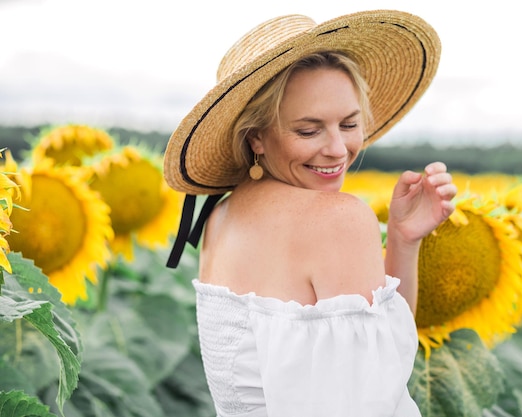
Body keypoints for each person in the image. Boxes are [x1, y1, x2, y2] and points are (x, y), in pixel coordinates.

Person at [164, 10, 457, 417]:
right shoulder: (339, 219)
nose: (338, 149)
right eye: (309, 130)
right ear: (257, 138)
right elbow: (376, 393)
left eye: (350, 124)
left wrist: (403, 239)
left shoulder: (219, 218)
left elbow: (376, 350)